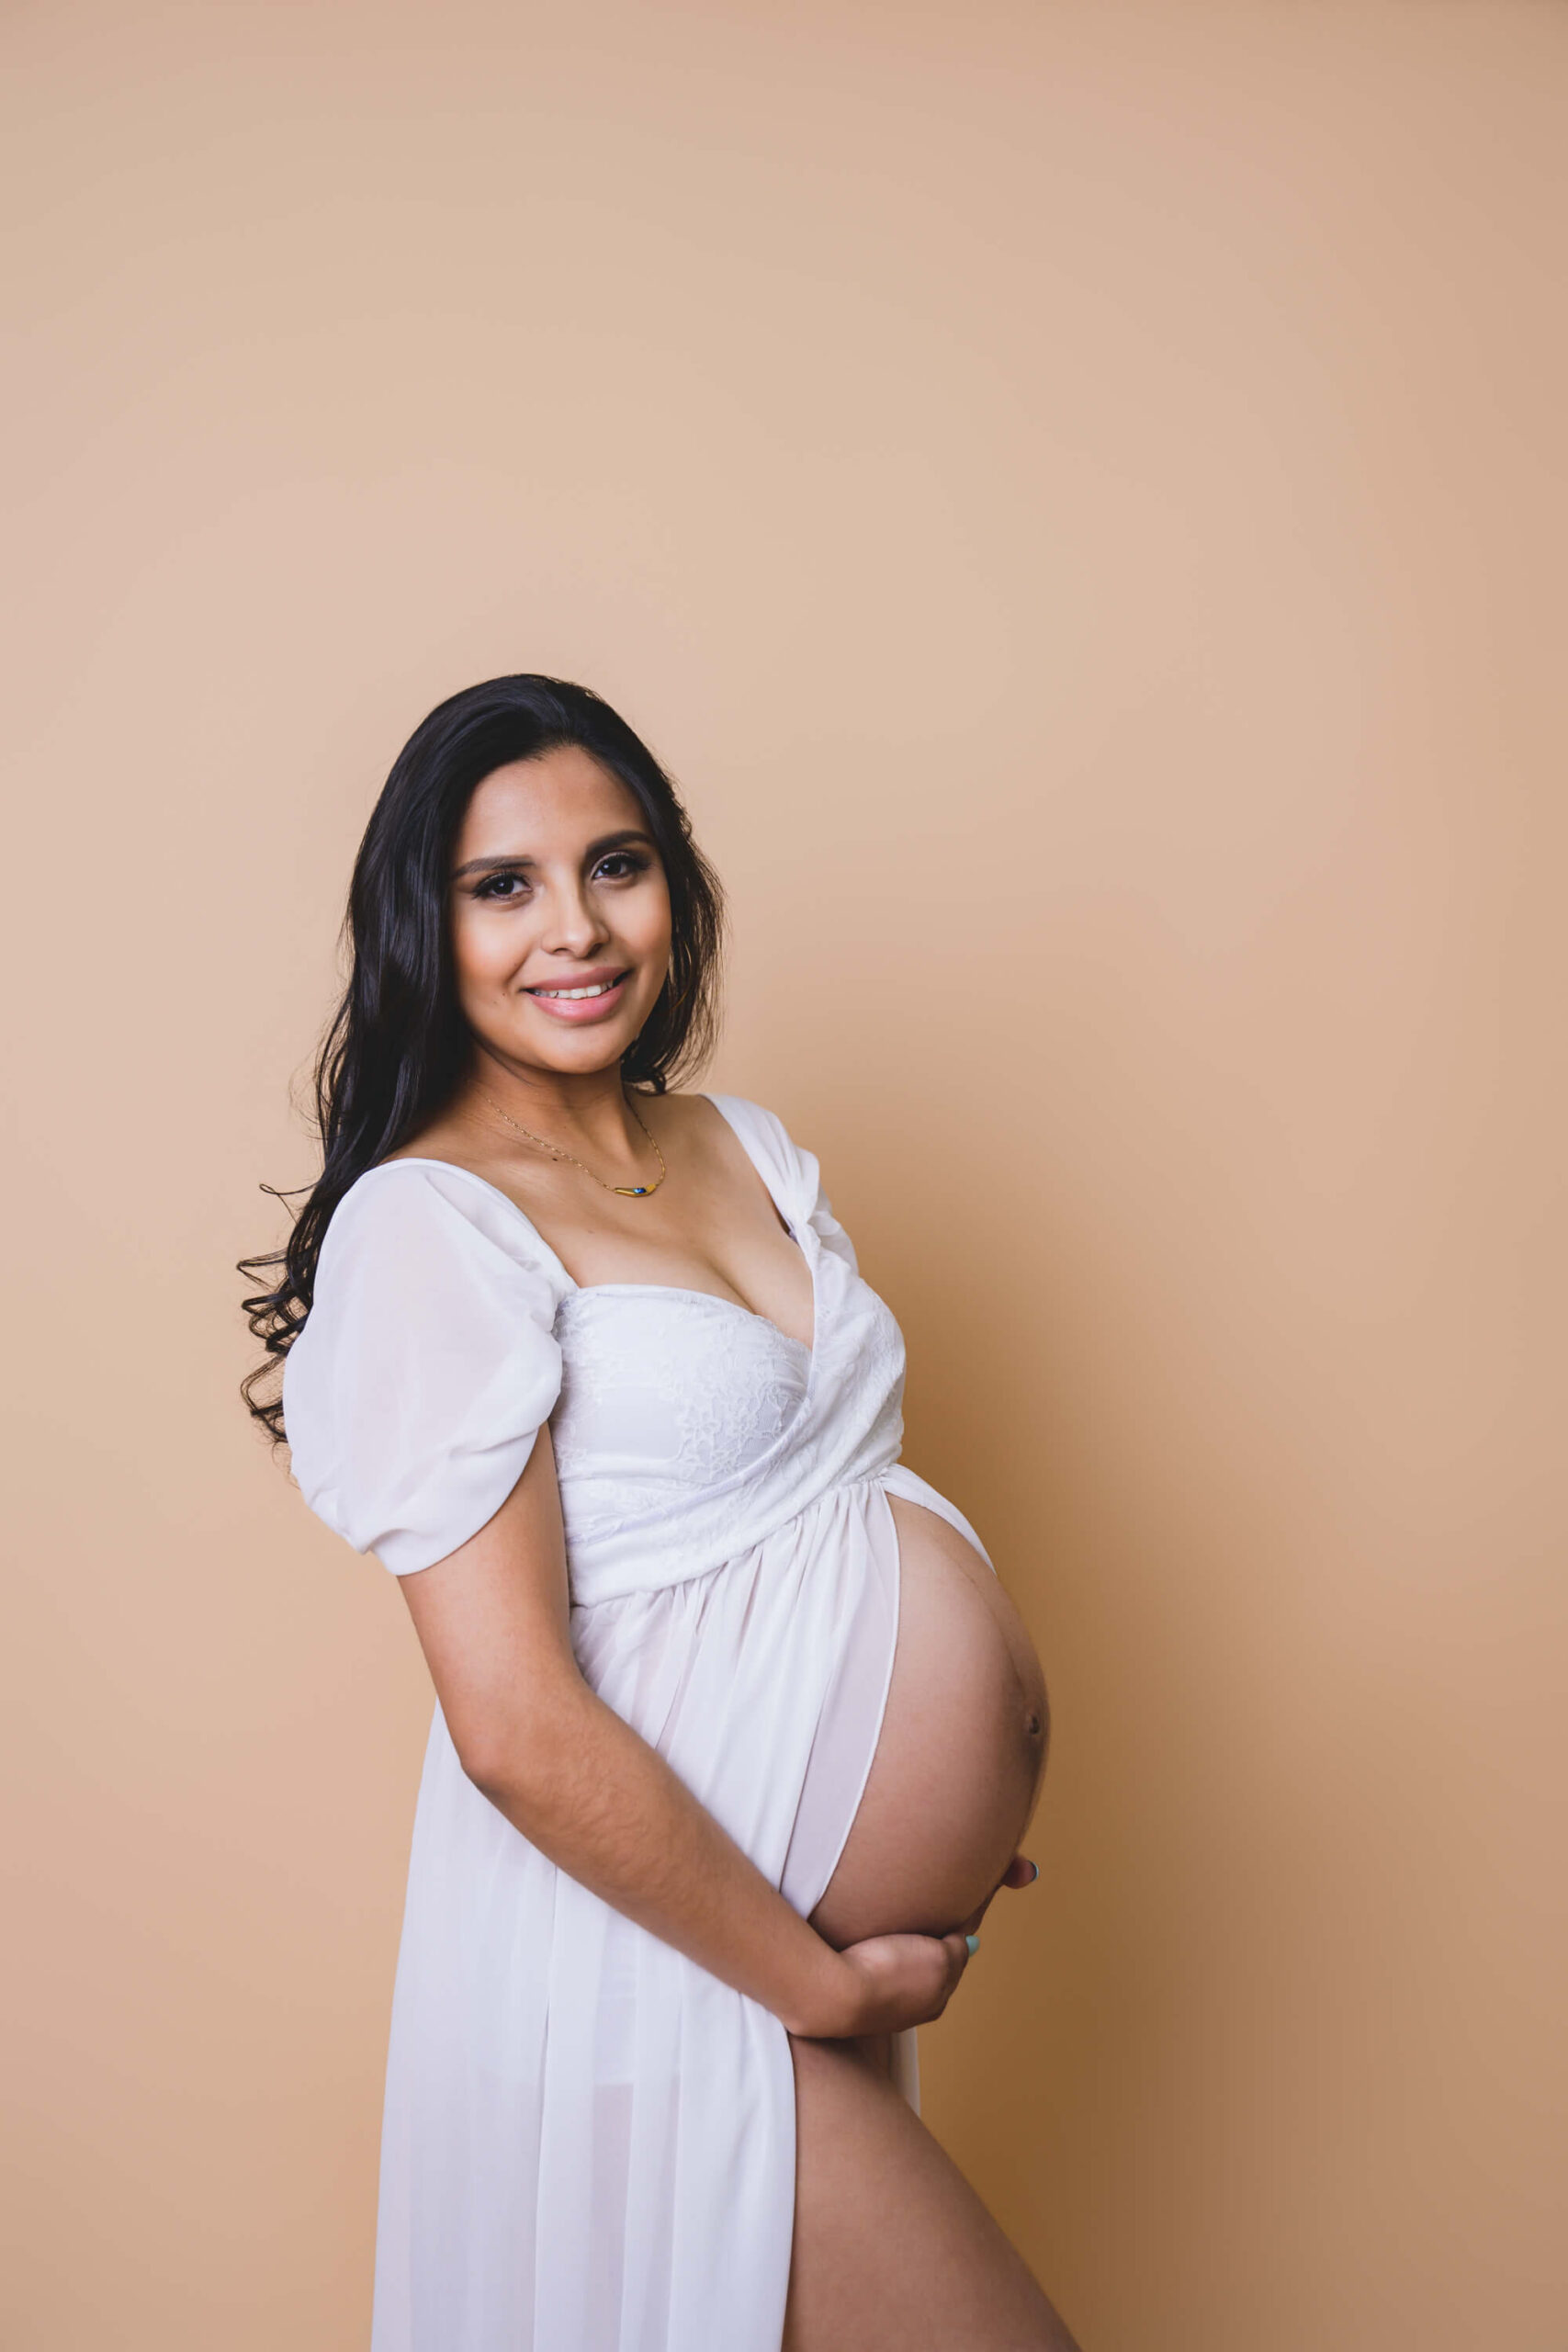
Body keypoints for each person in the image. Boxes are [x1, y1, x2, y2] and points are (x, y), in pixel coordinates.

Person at [241, 674, 1080, 2351]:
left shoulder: (741, 1146)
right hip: (662, 1975)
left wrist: (917, 1787)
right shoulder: (429, 1225)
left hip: (774, 1943)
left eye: (614, 865)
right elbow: (512, 1725)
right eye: (504, 885)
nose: (576, 928)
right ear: (424, 925)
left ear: (674, 886)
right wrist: (822, 1970)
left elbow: (783, 1534)